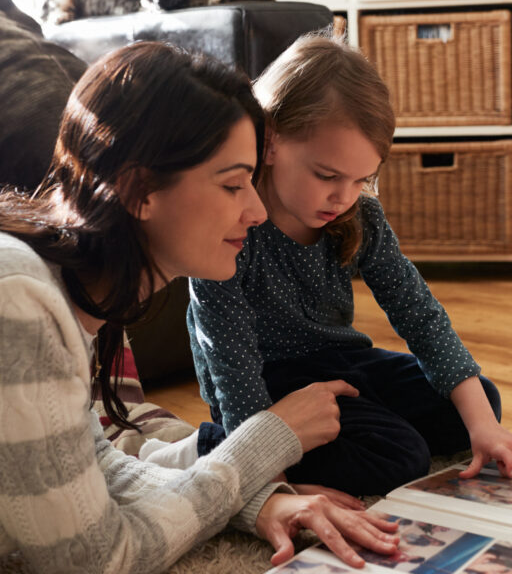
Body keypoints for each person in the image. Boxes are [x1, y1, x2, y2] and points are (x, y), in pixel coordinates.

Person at [0, 41, 402, 574]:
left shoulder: (69, 301)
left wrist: (261, 502)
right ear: (139, 189)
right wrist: (265, 440)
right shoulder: (19, 301)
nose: (258, 210)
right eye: (235, 183)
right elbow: (96, 559)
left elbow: (97, 470)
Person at [183, 31, 512, 497]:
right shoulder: (231, 225)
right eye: (327, 176)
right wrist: (265, 472)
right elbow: (229, 359)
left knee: (479, 401)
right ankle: (214, 447)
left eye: (361, 179)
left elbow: (418, 314)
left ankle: (369, 428)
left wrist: (482, 424)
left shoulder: (358, 216)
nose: (342, 197)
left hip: (344, 360)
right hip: (265, 382)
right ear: (272, 140)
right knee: (401, 457)